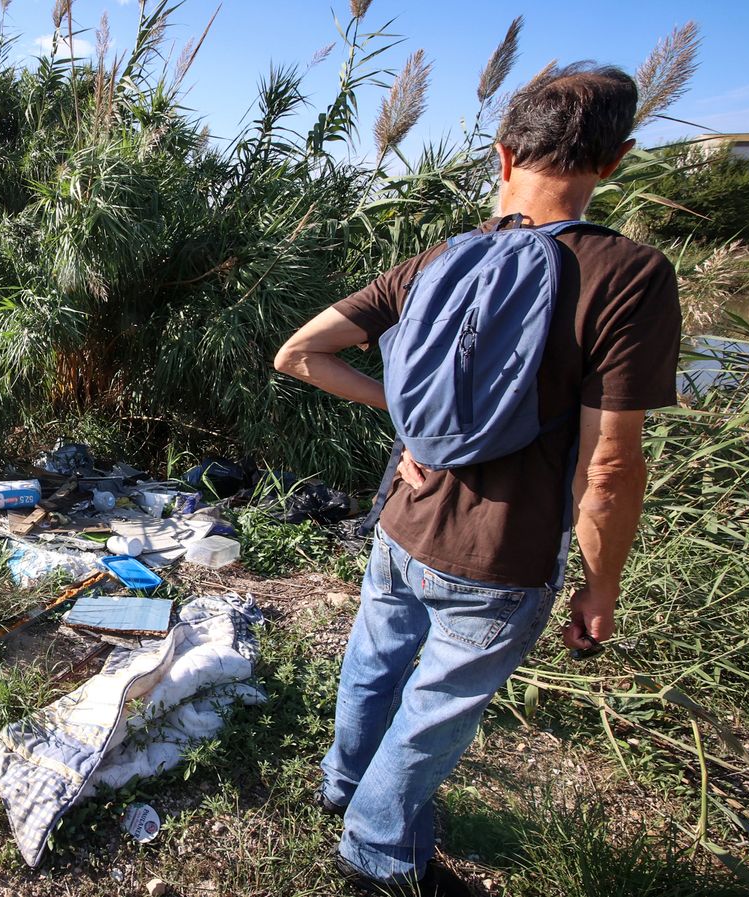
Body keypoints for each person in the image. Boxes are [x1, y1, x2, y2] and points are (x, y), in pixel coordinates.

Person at [273, 63, 681, 895]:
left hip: (400, 523)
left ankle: (344, 790)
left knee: (374, 667)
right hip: (501, 554)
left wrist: (407, 418)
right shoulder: (629, 277)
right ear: (617, 160)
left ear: (502, 155)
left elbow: (299, 353)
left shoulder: (435, 262)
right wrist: (601, 588)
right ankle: (377, 855)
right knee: (435, 709)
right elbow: (608, 469)